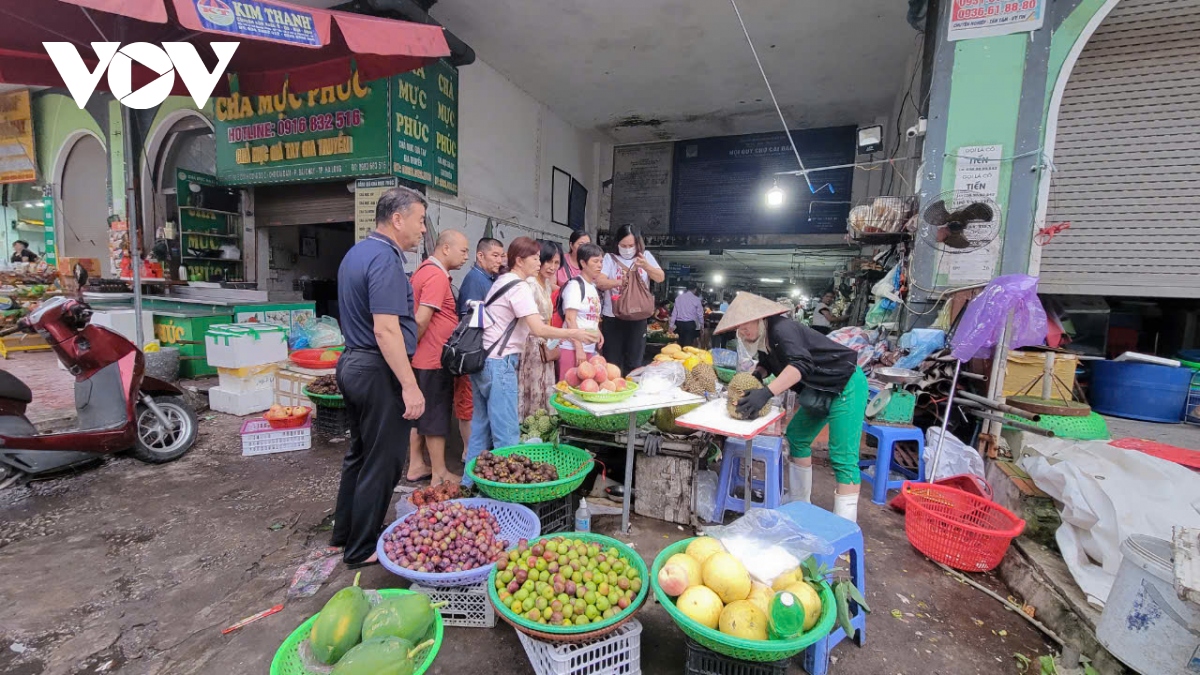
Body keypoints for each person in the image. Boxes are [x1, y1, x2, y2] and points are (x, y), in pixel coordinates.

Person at [332, 186, 427, 567]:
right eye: (420, 221)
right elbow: (386, 330)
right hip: (376, 368)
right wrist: (409, 385)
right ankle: (362, 548)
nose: (423, 230)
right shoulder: (386, 261)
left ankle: (344, 534)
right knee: (383, 461)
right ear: (398, 219)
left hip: (352, 363)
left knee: (359, 454)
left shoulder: (357, 253)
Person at [714, 291, 867, 523]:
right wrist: (757, 377)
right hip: (818, 390)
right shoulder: (764, 338)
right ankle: (800, 506)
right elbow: (768, 362)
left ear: (760, 318)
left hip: (845, 383)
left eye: (746, 326)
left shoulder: (781, 330)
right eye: (739, 329)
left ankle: (844, 526)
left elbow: (800, 365)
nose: (743, 333)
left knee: (842, 457)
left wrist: (766, 393)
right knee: (797, 436)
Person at [465, 237, 598, 479]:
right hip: (500, 364)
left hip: (484, 361)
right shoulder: (518, 287)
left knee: (480, 431)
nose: (539, 262)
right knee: (507, 435)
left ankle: (469, 485)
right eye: (535, 258)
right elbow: (538, 329)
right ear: (519, 260)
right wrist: (574, 333)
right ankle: (507, 494)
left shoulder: (502, 281)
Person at [406, 229, 470, 486]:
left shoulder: (424, 271)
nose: (466, 256)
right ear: (446, 249)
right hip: (432, 358)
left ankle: (416, 464)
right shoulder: (435, 276)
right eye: (463, 250)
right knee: (435, 417)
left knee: (421, 415)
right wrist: (413, 348)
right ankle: (439, 473)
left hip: (423, 357)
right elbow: (421, 320)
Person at [454, 237, 505, 458]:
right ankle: (469, 453)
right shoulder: (475, 280)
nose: (500, 260)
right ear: (480, 256)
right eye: (495, 255)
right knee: (470, 405)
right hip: (473, 352)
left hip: (483, 352)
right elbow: (471, 319)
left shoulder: (488, 278)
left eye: (502, 256)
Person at [595, 224, 664, 375]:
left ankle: (631, 392)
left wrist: (647, 266)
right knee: (612, 361)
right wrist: (619, 282)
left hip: (638, 317)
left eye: (631, 245)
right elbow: (600, 282)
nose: (627, 248)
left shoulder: (645, 257)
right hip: (613, 317)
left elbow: (660, 277)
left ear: (638, 243)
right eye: (623, 245)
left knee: (635, 362)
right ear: (617, 243)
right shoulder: (609, 258)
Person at [518, 240, 561, 418]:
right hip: (531, 342)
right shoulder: (530, 284)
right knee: (533, 387)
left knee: (545, 386)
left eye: (556, 263)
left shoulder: (547, 285)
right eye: (548, 261)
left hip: (545, 342)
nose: (552, 267)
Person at [559, 242, 604, 381]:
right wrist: (579, 348)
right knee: (567, 390)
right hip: (571, 348)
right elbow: (570, 319)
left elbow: (591, 315)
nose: (599, 265)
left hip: (589, 348)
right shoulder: (575, 286)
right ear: (583, 263)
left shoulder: (592, 286)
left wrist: (598, 331)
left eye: (601, 261)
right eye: (595, 261)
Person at [670, 283, 704, 348]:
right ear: (695, 290)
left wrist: (671, 325)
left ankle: (679, 356)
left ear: (686, 289)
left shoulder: (678, 298)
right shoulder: (696, 299)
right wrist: (702, 326)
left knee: (680, 342)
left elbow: (674, 312)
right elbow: (700, 314)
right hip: (690, 324)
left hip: (679, 324)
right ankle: (685, 356)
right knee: (688, 344)